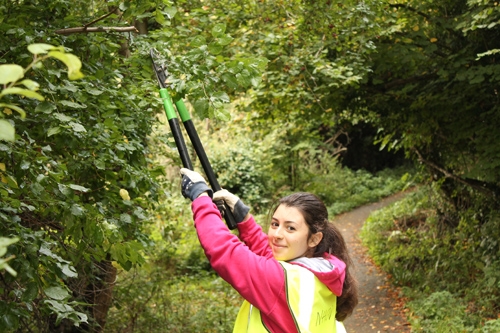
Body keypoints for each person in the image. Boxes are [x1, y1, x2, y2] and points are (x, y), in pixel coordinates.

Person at [180, 168, 358, 333]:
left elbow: (225, 250)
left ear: (314, 239)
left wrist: (200, 197)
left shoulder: (282, 281)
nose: (276, 235)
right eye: (275, 224)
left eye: (290, 228)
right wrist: (245, 220)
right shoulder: (323, 271)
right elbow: (273, 260)